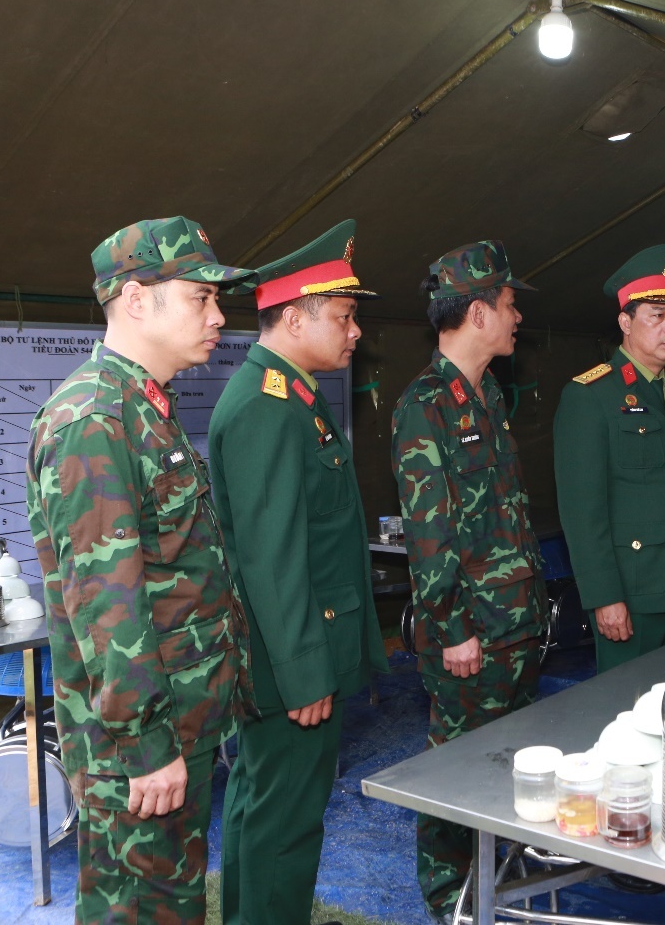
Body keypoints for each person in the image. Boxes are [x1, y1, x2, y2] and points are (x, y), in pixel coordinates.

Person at [25, 217, 254, 924]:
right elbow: (106, 603)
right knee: (142, 906)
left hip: (179, 715)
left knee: (171, 898)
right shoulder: (94, 419)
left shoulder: (143, 406)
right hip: (139, 740)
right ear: (134, 300)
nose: (218, 317)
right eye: (199, 297)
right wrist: (148, 745)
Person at [208, 220, 389, 925]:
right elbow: (272, 557)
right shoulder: (266, 407)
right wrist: (305, 673)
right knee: (282, 821)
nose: (355, 332)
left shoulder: (291, 397)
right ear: (293, 318)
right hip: (291, 660)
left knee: (266, 808)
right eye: (343, 317)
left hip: (296, 648)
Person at [391, 241, 548, 922]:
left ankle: (497, 881)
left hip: (515, 621)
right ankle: (448, 899)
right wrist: (453, 629)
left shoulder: (488, 395)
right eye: (510, 305)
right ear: (479, 312)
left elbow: (505, 514)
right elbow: (429, 537)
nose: (518, 318)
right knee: (455, 768)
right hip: (471, 634)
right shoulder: (424, 405)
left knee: (507, 762)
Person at [553, 245, 665, 672]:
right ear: (625, 322)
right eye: (657, 315)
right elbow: (581, 511)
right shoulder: (591, 395)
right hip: (633, 591)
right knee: (629, 704)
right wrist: (604, 597)